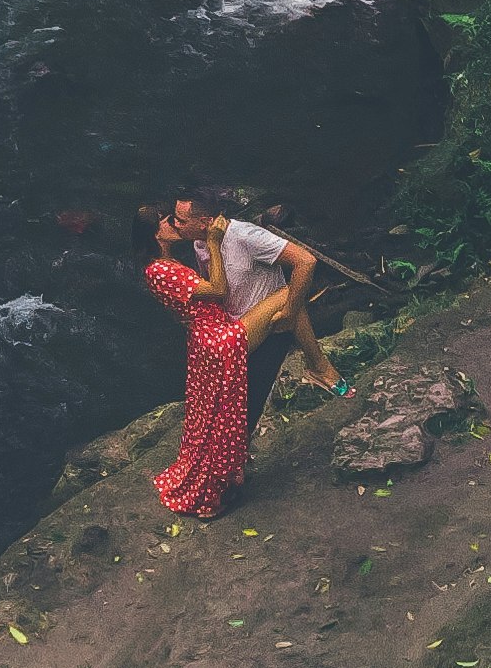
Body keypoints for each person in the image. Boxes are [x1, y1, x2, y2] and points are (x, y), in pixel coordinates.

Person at [175, 191, 339, 417]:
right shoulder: (200, 244)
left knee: (246, 407)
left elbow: (306, 261)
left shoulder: (246, 236)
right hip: (236, 325)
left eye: (181, 220)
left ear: (205, 222)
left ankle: (320, 367)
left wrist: (290, 312)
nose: (175, 225)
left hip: (268, 328)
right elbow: (216, 286)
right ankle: (319, 366)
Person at [137, 207, 251, 518]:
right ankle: (213, 488)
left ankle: (224, 477)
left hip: (206, 334)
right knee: (219, 415)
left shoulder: (168, 262)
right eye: (167, 220)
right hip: (214, 338)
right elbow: (217, 289)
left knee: (212, 415)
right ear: (156, 233)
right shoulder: (159, 270)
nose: (174, 223)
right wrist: (213, 242)